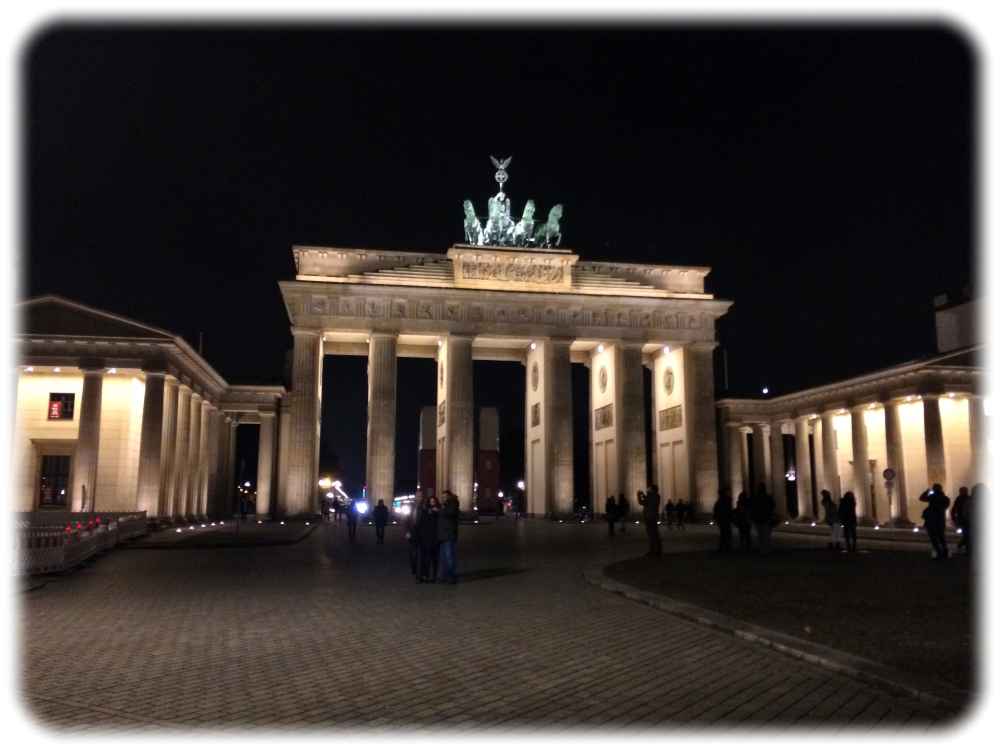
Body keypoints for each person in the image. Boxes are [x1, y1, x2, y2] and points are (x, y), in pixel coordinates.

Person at [919, 484, 950, 560]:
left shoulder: (933, 497)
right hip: (940, 520)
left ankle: (939, 552)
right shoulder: (945, 498)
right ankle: (945, 551)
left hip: (932, 520)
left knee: (933, 537)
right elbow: (946, 506)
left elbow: (921, 498)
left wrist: (927, 492)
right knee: (941, 537)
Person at [438, 491, 460, 584]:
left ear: (449, 497)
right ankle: (444, 576)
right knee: (443, 558)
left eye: (445, 496)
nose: (443, 498)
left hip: (449, 535)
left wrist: (440, 510)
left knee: (449, 557)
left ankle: (451, 576)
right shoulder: (444, 505)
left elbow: (450, 513)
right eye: (442, 496)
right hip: (442, 536)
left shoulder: (453, 504)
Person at [417, 496, 440, 582]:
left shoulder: (439, 511)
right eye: (431, 501)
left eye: (433, 501)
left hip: (435, 538)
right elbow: (420, 523)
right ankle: (425, 575)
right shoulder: (425, 511)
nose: (432, 502)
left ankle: (434, 576)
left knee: (434, 558)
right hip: (425, 538)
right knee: (425, 558)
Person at [749, 483, 775, 554]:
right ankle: (766, 549)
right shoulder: (768, 497)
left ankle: (762, 549)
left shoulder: (756, 498)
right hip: (766, 518)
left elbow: (752, 507)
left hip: (758, 519)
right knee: (766, 535)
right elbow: (772, 506)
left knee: (760, 535)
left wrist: (753, 517)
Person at [638, 486, 662, 557]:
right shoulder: (656, 496)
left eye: (649, 488)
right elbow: (648, 501)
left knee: (651, 534)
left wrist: (639, 495)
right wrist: (644, 495)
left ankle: (653, 551)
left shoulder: (651, 496)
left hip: (649, 517)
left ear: (652, 490)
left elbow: (642, 502)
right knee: (655, 534)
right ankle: (657, 550)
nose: (647, 489)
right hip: (653, 517)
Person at [405, 493, 421, 578]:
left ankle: (418, 570)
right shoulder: (411, 507)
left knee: (419, 552)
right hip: (412, 532)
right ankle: (414, 567)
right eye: (418, 496)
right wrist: (407, 531)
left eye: (420, 496)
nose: (419, 498)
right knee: (412, 552)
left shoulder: (424, 506)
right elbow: (406, 520)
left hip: (421, 533)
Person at [713, 488, 734, 553]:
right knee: (726, 533)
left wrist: (716, 518)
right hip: (725, 519)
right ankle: (727, 546)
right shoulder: (727, 500)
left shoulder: (720, 501)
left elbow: (716, 510)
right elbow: (729, 509)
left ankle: (724, 546)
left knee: (724, 533)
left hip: (723, 519)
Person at [951, 486, 970, 554]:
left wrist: (953, 518)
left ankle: (962, 546)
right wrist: (953, 518)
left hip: (963, 519)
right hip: (964, 519)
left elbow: (954, 509)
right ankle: (965, 547)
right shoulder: (967, 498)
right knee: (967, 535)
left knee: (966, 535)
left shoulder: (959, 499)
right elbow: (954, 509)